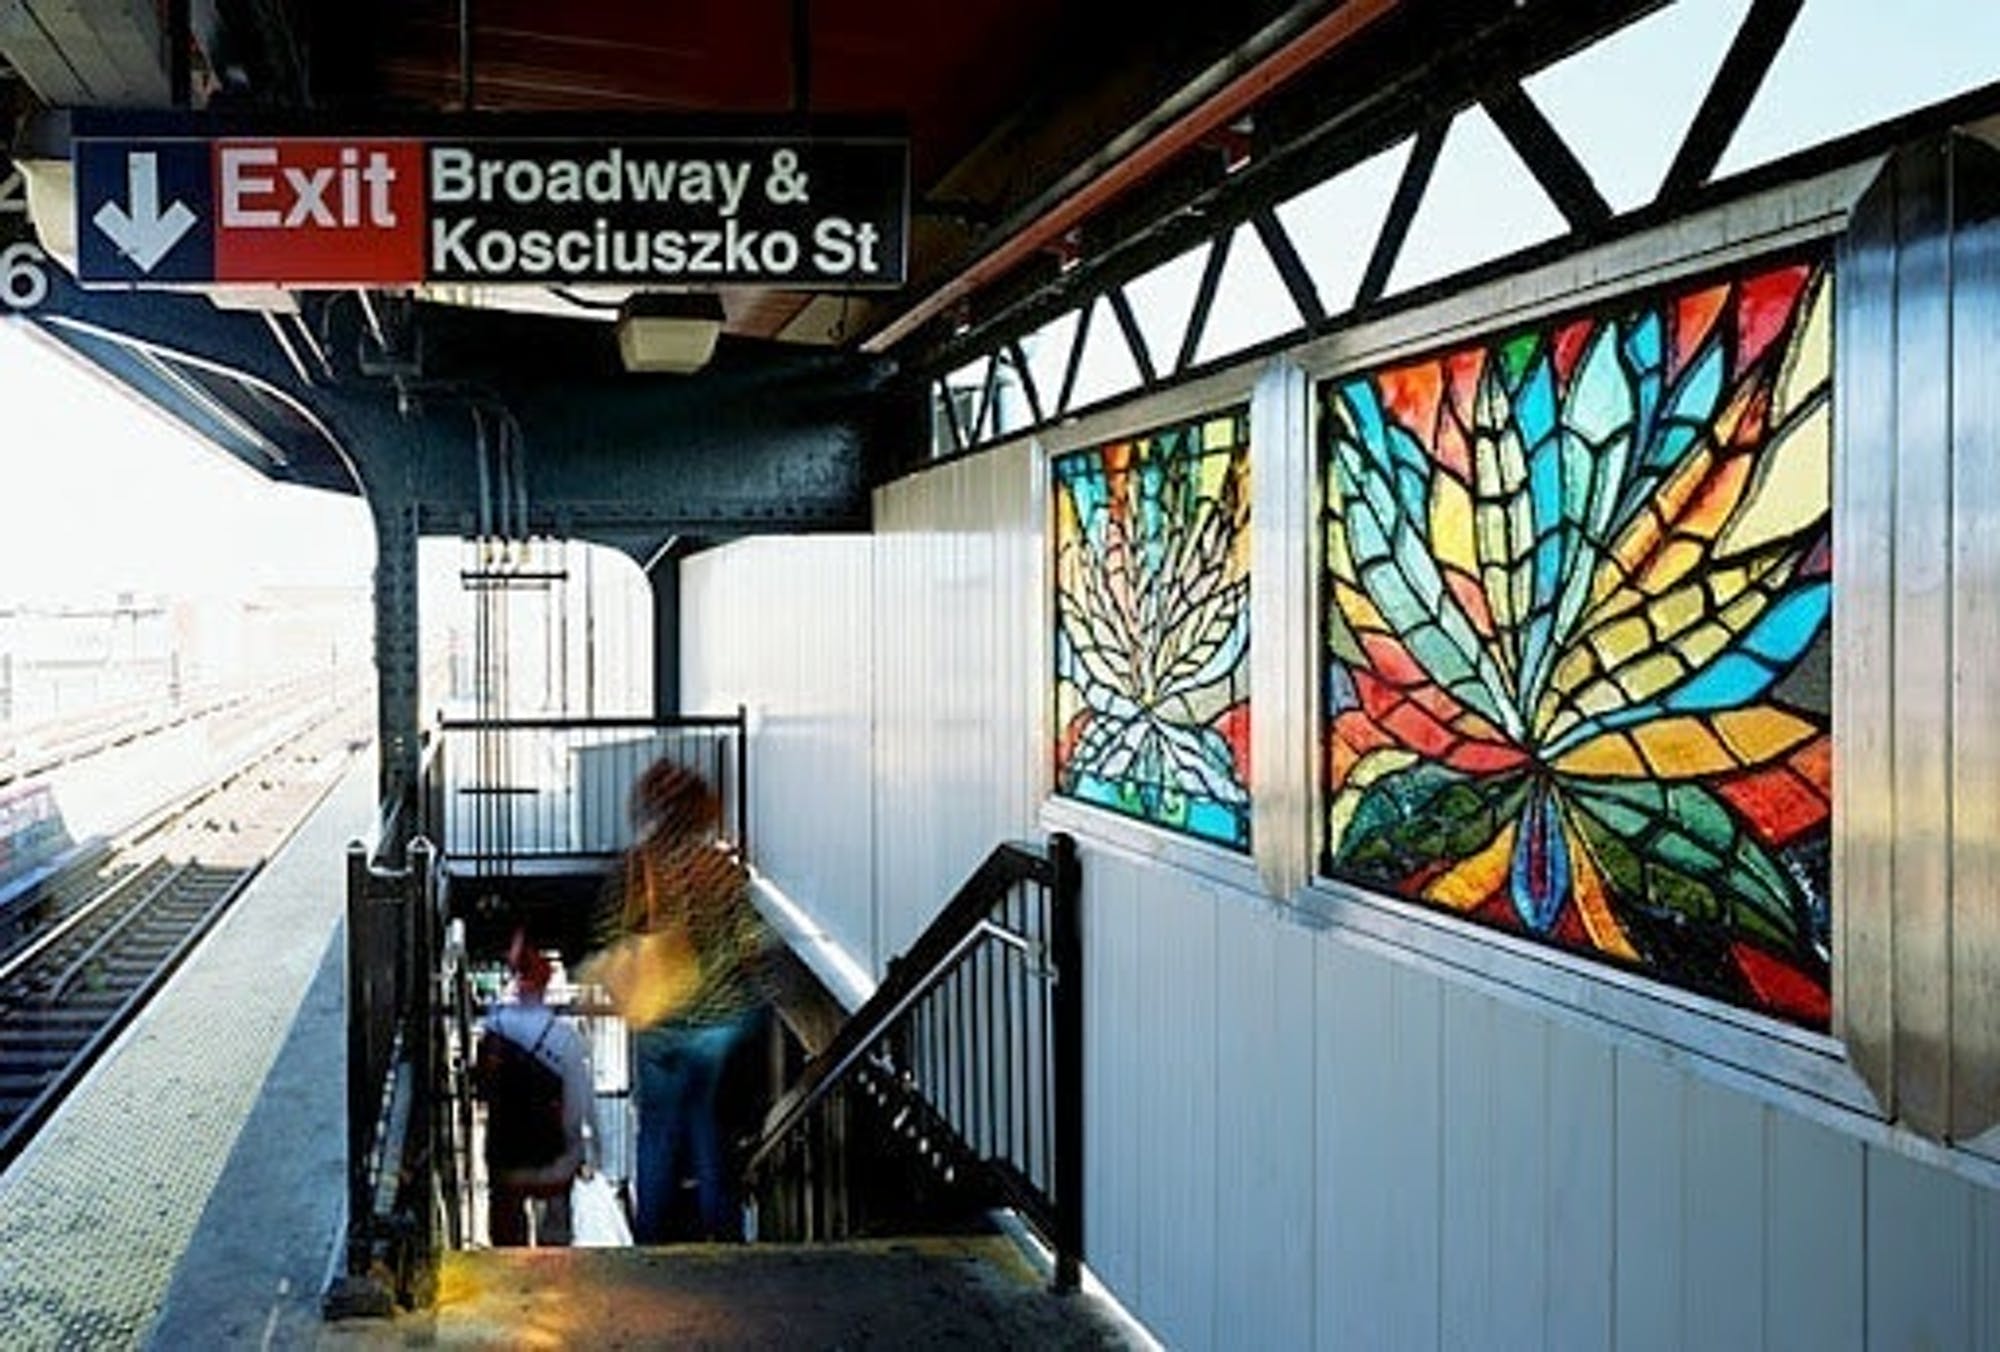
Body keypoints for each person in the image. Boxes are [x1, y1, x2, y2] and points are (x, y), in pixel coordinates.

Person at [595, 760, 770, 1243]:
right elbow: (751, 944)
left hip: (660, 1025)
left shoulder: (636, 868)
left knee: (657, 1132)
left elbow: (610, 939)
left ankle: (652, 1240)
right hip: (715, 1028)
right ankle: (724, 1236)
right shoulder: (721, 870)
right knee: (709, 1128)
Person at [475, 928, 598, 1247]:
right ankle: (556, 1263)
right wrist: (586, 1149)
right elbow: (577, 1104)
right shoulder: (565, 1037)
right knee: (556, 1234)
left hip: (505, 1153)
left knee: (506, 1230)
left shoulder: (493, 1032)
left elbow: (482, 1091)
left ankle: (507, 1265)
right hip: (552, 1155)